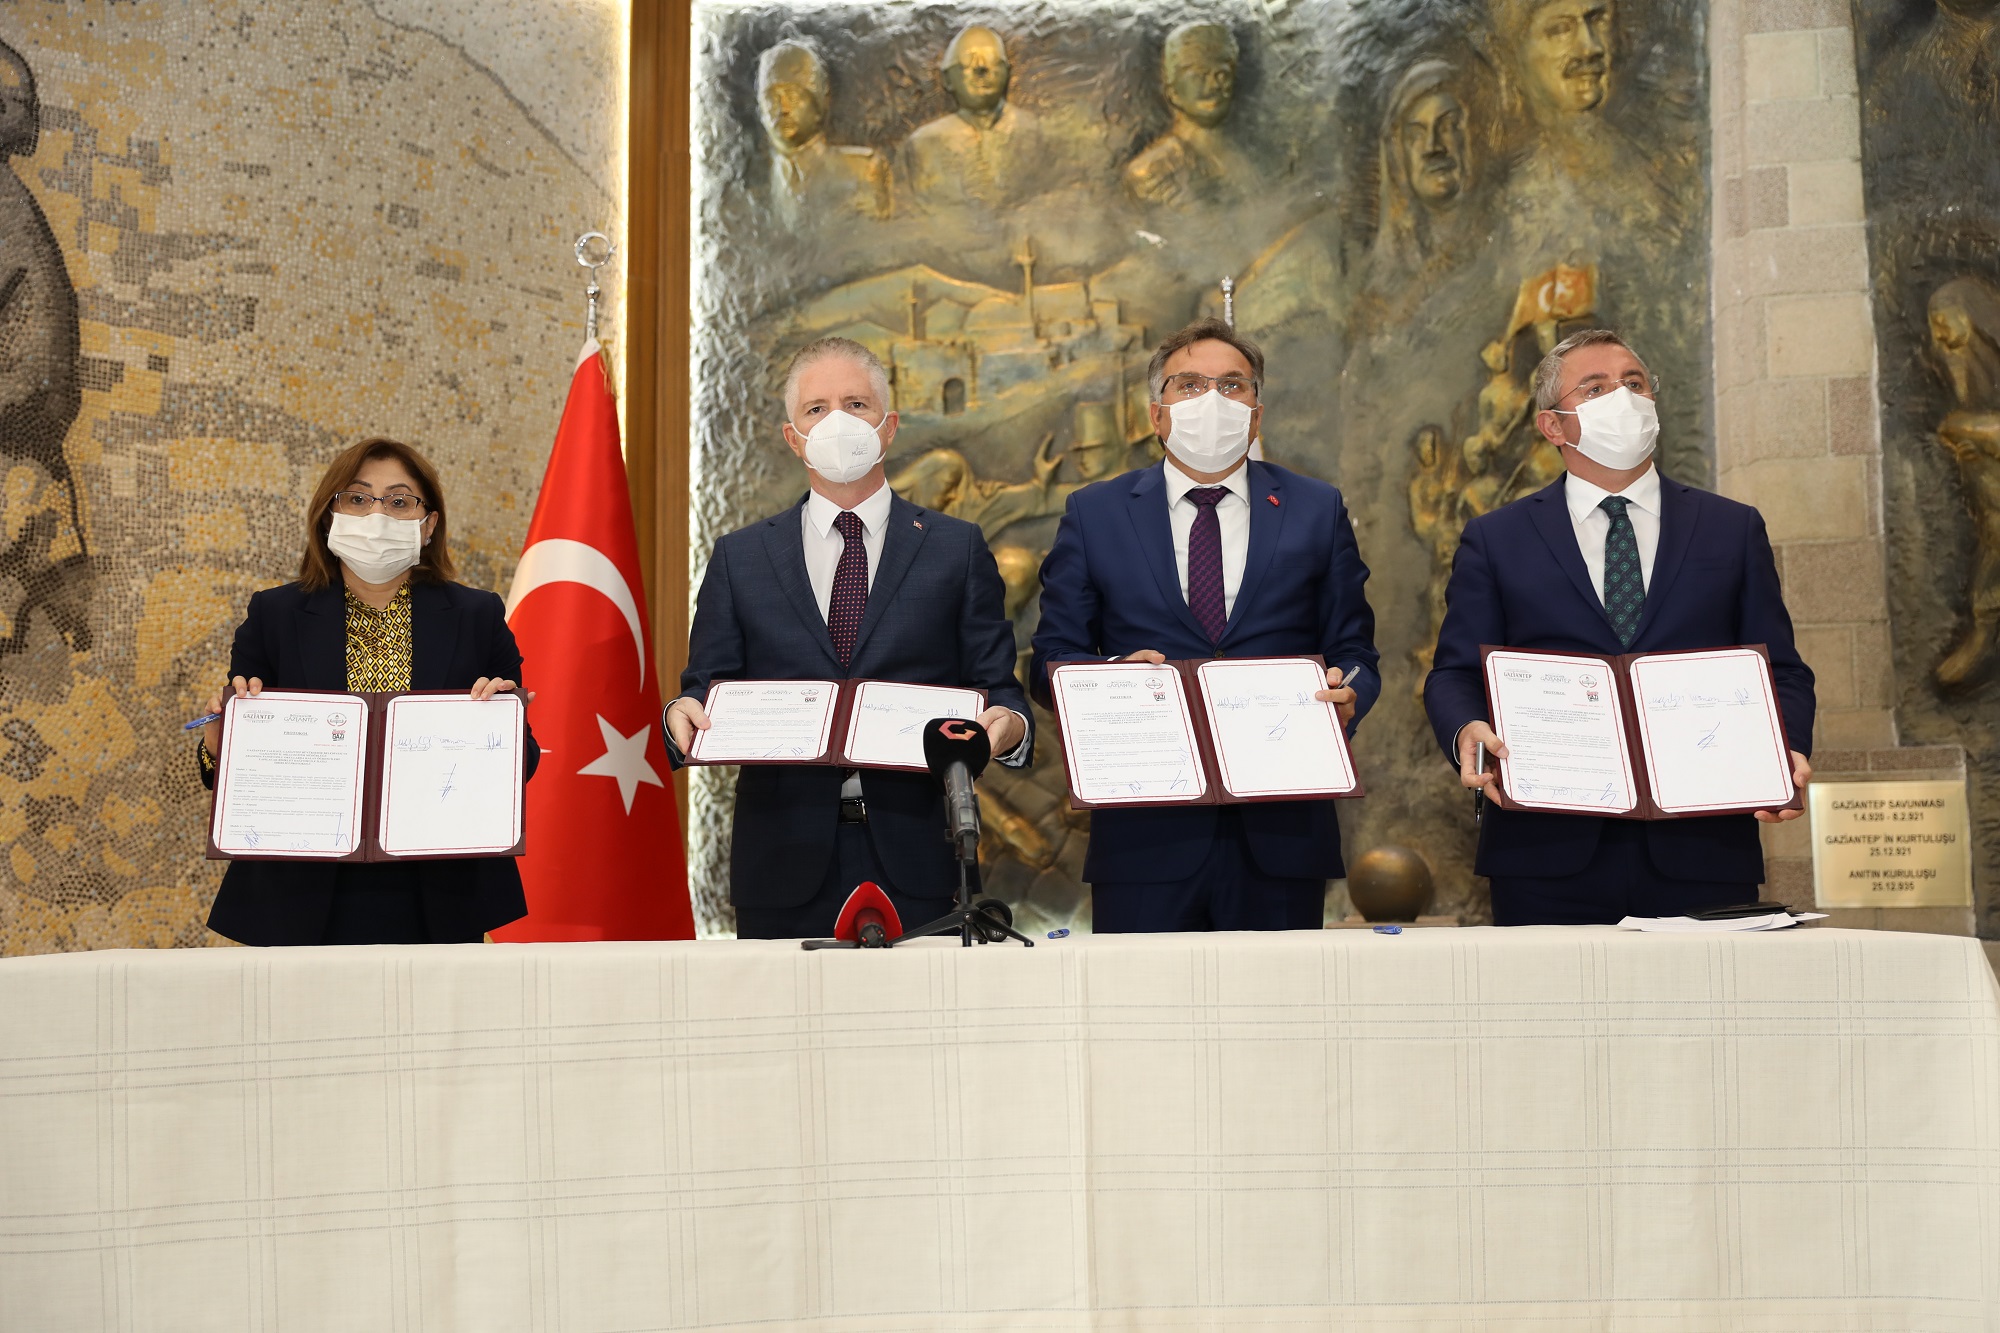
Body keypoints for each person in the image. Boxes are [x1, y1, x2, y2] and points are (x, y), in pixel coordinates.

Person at [1424, 329, 1816, 924]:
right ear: (1553, 426)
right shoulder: (1496, 539)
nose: (1623, 398)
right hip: (1545, 852)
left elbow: (1781, 670)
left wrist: (1783, 748)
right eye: (1596, 388)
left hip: (1703, 846)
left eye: (1634, 383)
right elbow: (1454, 674)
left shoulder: (1732, 529)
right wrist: (1466, 732)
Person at [667, 336, 1032, 939]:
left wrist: (1008, 727)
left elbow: (1000, 691)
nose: (837, 421)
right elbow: (704, 689)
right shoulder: (740, 557)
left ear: (889, 427)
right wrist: (681, 713)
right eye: (816, 408)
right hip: (781, 860)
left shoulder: (956, 548)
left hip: (921, 857)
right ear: (793, 437)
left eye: (856, 404)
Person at [1030, 318, 1380, 932]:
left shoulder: (1316, 509)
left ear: (1256, 415)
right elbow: (1050, 660)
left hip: (1282, 833)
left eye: (1232, 385)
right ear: (1156, 414)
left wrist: (1349, 690)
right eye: (1189, 384)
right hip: (1144, 836)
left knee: (1279, 996)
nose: (1212, 400)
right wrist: (1110, 677)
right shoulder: (1095, 514)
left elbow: (1354, 651)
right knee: (1144, 997)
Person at [197, 438, 538, 945]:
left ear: (428, 524)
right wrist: (219, 741)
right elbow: (226, 770)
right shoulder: (274, 615)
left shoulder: (477, 616)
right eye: (357, 499)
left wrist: (501, 730)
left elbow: (525, 761)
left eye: (399, 501)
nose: (377, 515)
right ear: (329, 515)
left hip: (437, 889)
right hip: (298, 891)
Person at [900, 25, 1046, 212]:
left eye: (992, 60)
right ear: (947, 79)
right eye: (967, 62)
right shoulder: (924, 143)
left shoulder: (1035, 131)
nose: (981, 67)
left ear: (1008, 72)